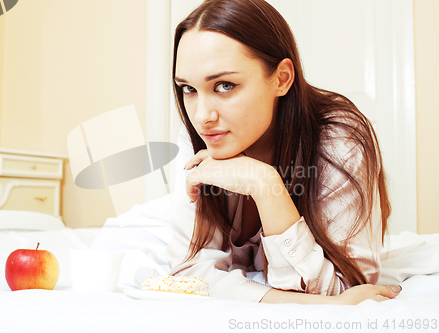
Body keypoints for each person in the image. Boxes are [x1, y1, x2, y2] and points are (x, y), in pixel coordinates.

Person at [165, 0, 401, 305]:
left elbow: (351, 284)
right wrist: (324, 306)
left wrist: (264, 185)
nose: (201, 116)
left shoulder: (341, 139)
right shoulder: (202, 132)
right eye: (188, 89)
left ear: (282, 78)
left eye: (224, 85)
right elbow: (189, 276)